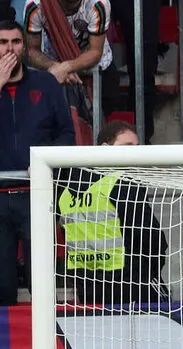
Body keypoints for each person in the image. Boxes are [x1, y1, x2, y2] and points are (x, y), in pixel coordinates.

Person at [1, 17, 74, 307]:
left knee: (42, 282)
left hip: (37, 194)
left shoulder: (46, 83)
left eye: (16, 42)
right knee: (3, 287)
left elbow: (67, 134)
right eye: (2, 42)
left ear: (25, 47)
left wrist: (44, 162)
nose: (9, 49)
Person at [59, 121, 166, 305]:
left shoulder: (67, 186)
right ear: (105, 148)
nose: (134, 153)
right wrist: (149, 272)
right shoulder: (125, 182)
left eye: (136, 147)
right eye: (127, 146)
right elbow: (151, 235)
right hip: (131, 283)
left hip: (85, 283)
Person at [22, 0, 119, 116]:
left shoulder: (98, 3)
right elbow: (32, 51)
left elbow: (95, 52)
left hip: (98, 68)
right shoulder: (36, 5)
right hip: (54, 68)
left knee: (104, 116)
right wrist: (55, 67)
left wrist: (66, 67)